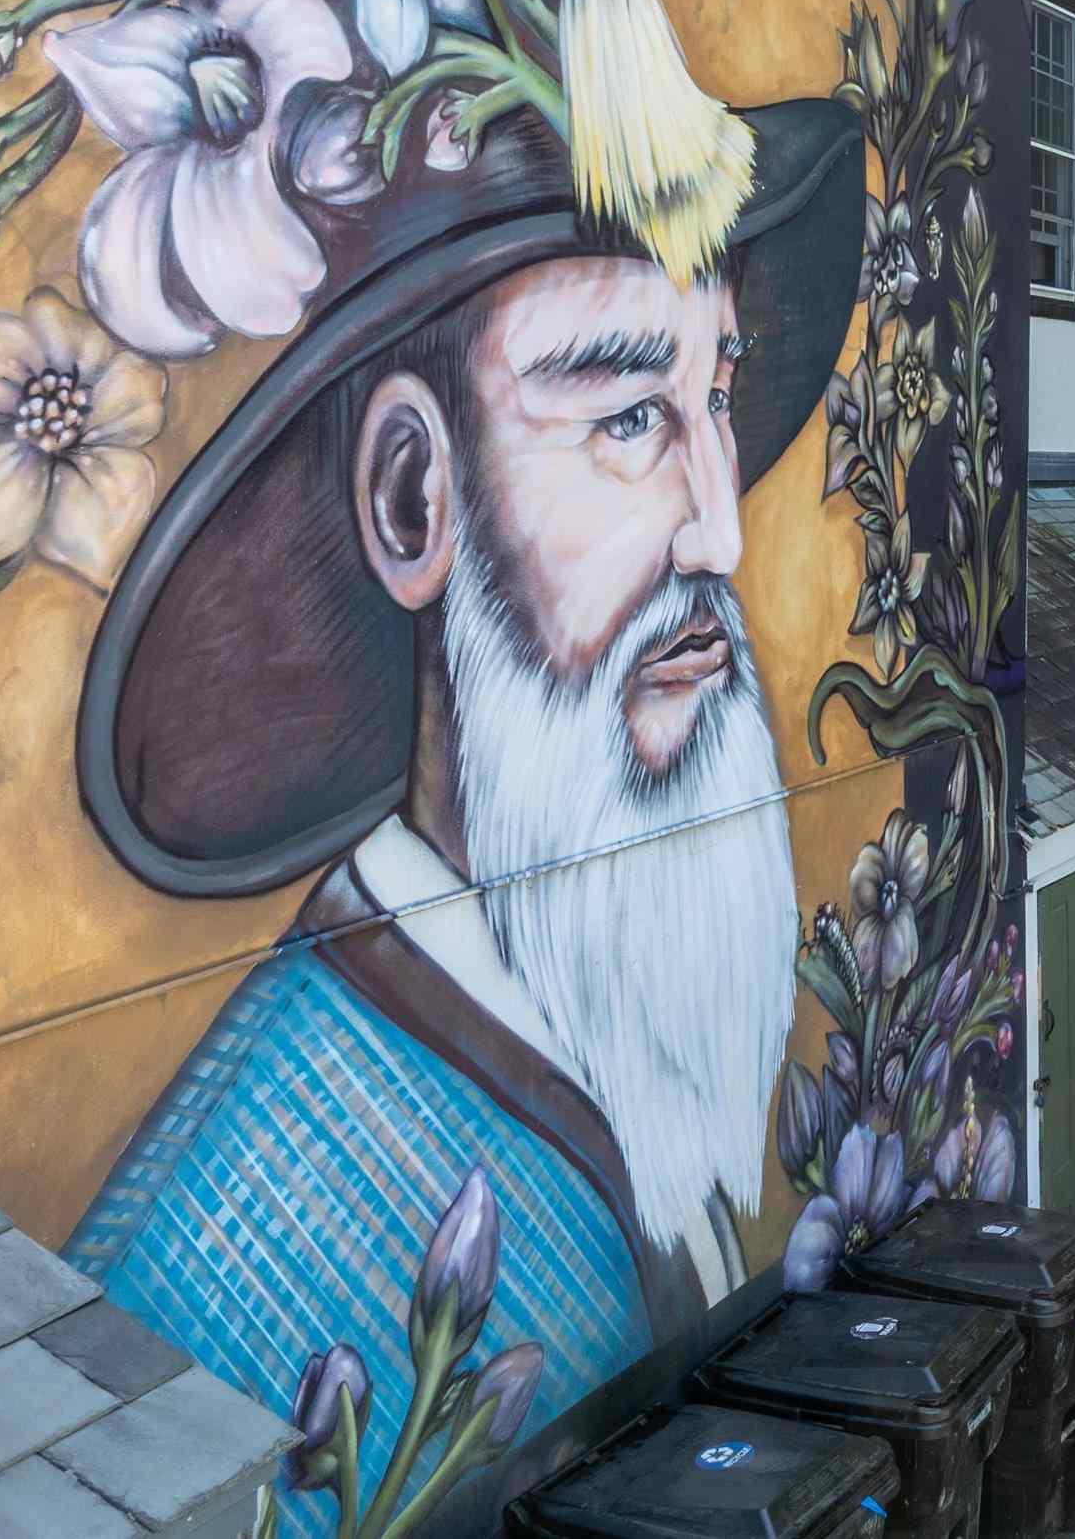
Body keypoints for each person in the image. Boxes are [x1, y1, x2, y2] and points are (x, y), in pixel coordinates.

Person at [63, 99, 860, 1502]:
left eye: (713, 401)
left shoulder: (601, 1012)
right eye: (624, 419)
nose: (722, 531)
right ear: (415, 496)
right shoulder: (213, 1252)